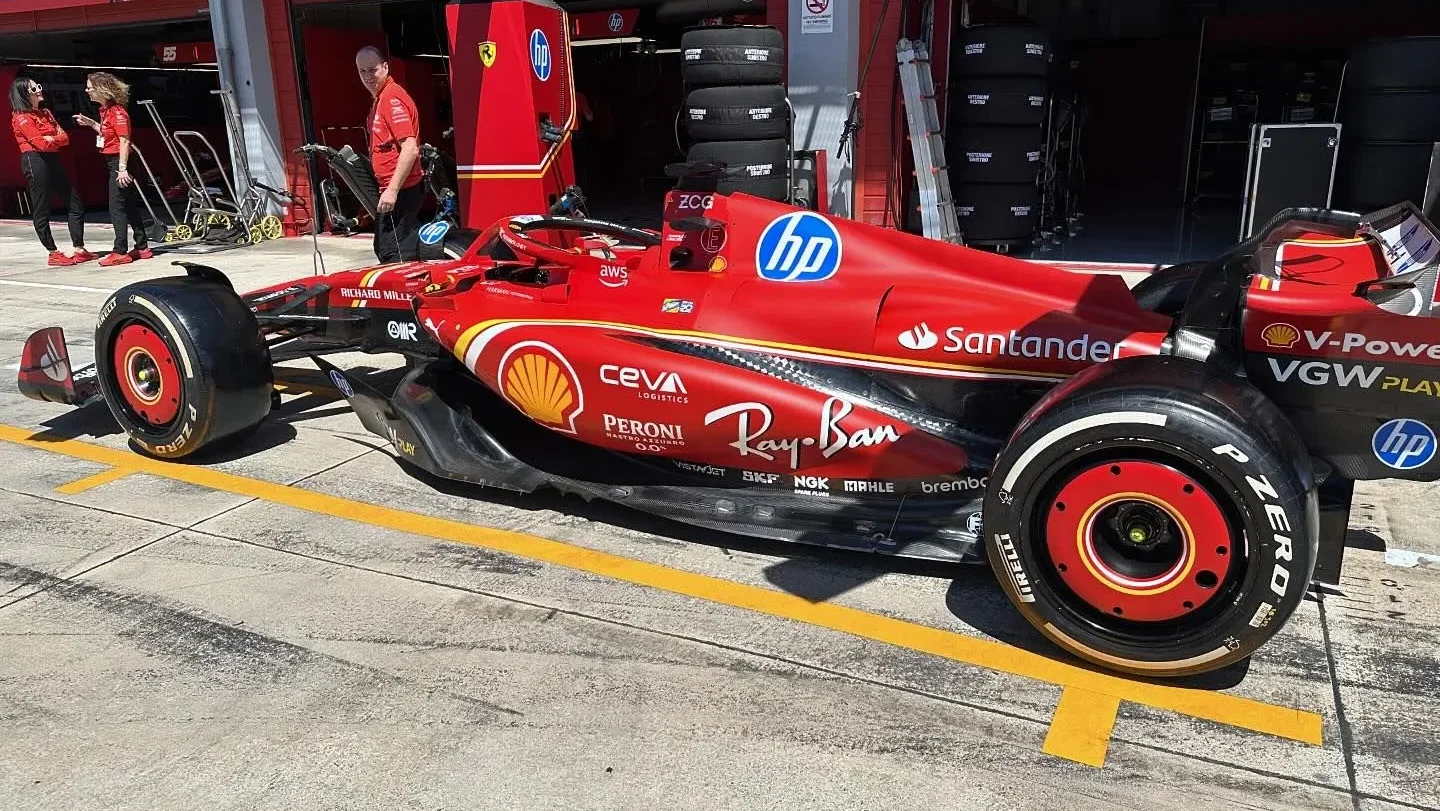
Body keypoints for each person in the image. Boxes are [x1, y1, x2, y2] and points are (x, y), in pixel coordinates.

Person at [9, 76, 97, 266]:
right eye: (34, 89)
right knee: (42, 207)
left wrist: (52, 139)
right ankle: (53, 251)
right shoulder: (21, 117)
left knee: (75, 202)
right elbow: (40, 143)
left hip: (52, 159)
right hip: (34, 160)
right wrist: (50, 139)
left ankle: (79, 248)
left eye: (38, 87)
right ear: (24, 94)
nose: (39, 90)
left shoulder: (46, 112)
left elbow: (64, 137)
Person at [72, 71, 152, 267]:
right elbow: (108, 134)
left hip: (120, 162)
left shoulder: (117, 113)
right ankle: (142, 246)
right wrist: (91, 124)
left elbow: (124, 141)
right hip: (116, 162)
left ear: (102, 89)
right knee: (129, 204)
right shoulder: (105, 111)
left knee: (116, 207)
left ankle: (120, 250)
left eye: (90, 87)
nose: (87, 91)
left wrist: (122, 169)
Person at [355, 45, 424, 262]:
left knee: (393, 255)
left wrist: (392, 191)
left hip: (402, 190)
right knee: (384, 247)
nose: (368, 76)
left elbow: (410, 147)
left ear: (385, 67)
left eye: (372, 70)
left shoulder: (391, 99)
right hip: (393, 189)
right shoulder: (380, 99)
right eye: (362, 71)